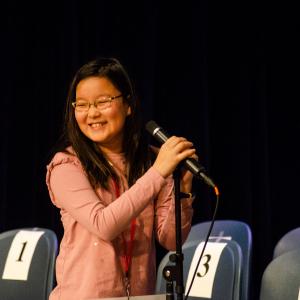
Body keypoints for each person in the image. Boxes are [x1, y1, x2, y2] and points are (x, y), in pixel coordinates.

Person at [46, 57, 196, 300]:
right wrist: (157, 173)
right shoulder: (67, 165)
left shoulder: (151, 162)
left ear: (128, 105)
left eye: (103, 101)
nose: (92, 113)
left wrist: (184, 191)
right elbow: (103, 225)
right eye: (82, 105)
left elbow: (169, 239)